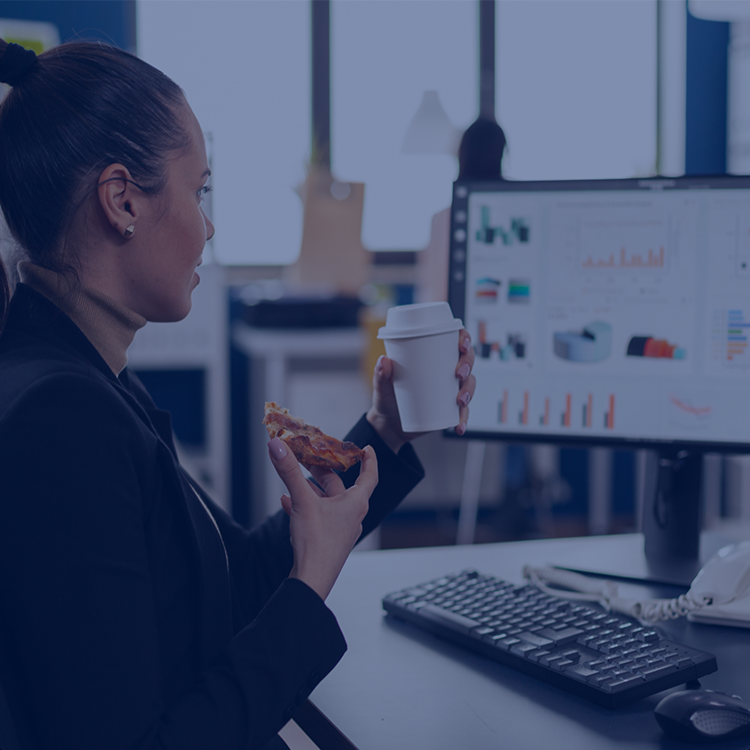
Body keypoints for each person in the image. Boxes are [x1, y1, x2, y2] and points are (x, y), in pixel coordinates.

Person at [0, 40, 476, 750]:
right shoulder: (62, 422)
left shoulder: (91, 379)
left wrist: (387, 430)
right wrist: (310, 587)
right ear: (122, 199)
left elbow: (233, 582)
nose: (210, 223)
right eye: (200, 191)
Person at [415, 116, 507, 303]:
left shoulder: (441, 220)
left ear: (461, 155)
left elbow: (429, 291)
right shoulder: (512, 214)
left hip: (447, 324)